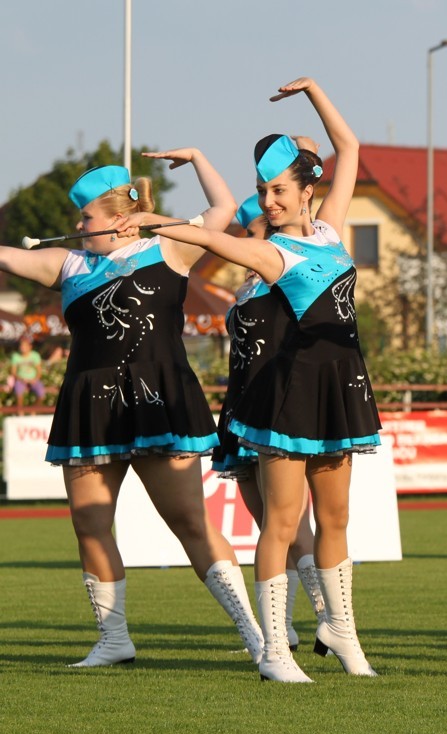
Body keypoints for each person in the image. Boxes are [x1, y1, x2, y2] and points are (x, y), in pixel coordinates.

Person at [120, 78, 379, 683]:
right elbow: (211, 237)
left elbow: (350, 145)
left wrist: (314, 89)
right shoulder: (274, 253)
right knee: (283, 524)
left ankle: (342, 631)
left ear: (308, 190)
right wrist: (154, 222)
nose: (268, 200)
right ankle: (275, 651)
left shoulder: (331, 231)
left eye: (279, 190)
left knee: (336, 521)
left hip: (340, 391)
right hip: (291, 398)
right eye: (263, 191)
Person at [0, 157, 264, 668]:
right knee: (89, 523)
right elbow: (6, 256)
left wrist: (195, 160)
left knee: (190, 522)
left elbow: (224, 208)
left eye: (87, 218)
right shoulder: (68, 265)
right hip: (90, 406)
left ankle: (257, 635)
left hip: (156, 401)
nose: (79, 226)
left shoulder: (169, 247)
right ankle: (113, 639)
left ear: (119, 218)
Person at [211, 194, 327, 651]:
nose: (245, 240)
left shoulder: (287, 277)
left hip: (277, 410)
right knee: (270, 528)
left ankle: (331, 619)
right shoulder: (245, 288)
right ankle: (285, 627)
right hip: (240, 410)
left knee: (293, 527)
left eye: (251, 231)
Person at [10, 335, 46, 409]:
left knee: (42, 395)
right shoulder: (15, 356)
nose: (22, 348)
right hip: (21, 379)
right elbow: (13, 372)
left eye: (25, 346)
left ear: (30, 347)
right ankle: (20, 412)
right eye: (21, 346)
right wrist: (22, 379)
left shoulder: (35, 355)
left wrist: (35, 379)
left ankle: (33, 411)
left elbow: (39, 371)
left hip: (33, 379)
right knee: (19, 395)